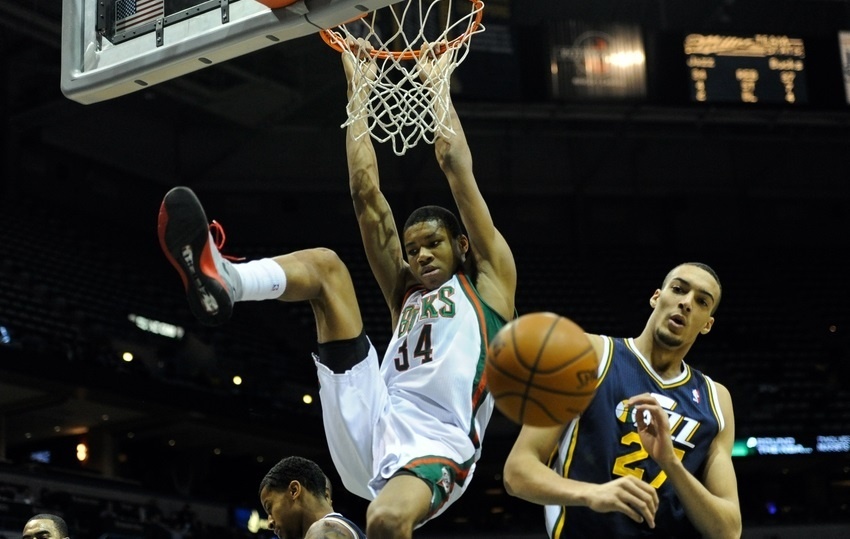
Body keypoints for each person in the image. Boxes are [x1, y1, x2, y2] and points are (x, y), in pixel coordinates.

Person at [157, 41, 516, 539]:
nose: (419, 257)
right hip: (377, 412)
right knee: (327, 268)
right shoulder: (405, 295)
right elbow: (365, 195)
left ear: (460, 244)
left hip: (437, 439)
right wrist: (357, 94)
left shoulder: (491, 285)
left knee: (386, 521)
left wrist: (438, 89)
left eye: (432, 245)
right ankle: (228, 280)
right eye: (411, 251)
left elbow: (456, 168)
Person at [502, 262, 742, 539]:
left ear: (707, 324)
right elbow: (517, 471)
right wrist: (592, 494)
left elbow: (728, 530)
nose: (686, 303)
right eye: (678, 289)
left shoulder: (716, 398)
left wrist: (670, 463)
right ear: (656, 297)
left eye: (701, 301)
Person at [259, 456, 366, 539]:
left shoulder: (324, 529)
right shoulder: (343, 528)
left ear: (294, 491)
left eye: (269, 508)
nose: (270, 523)